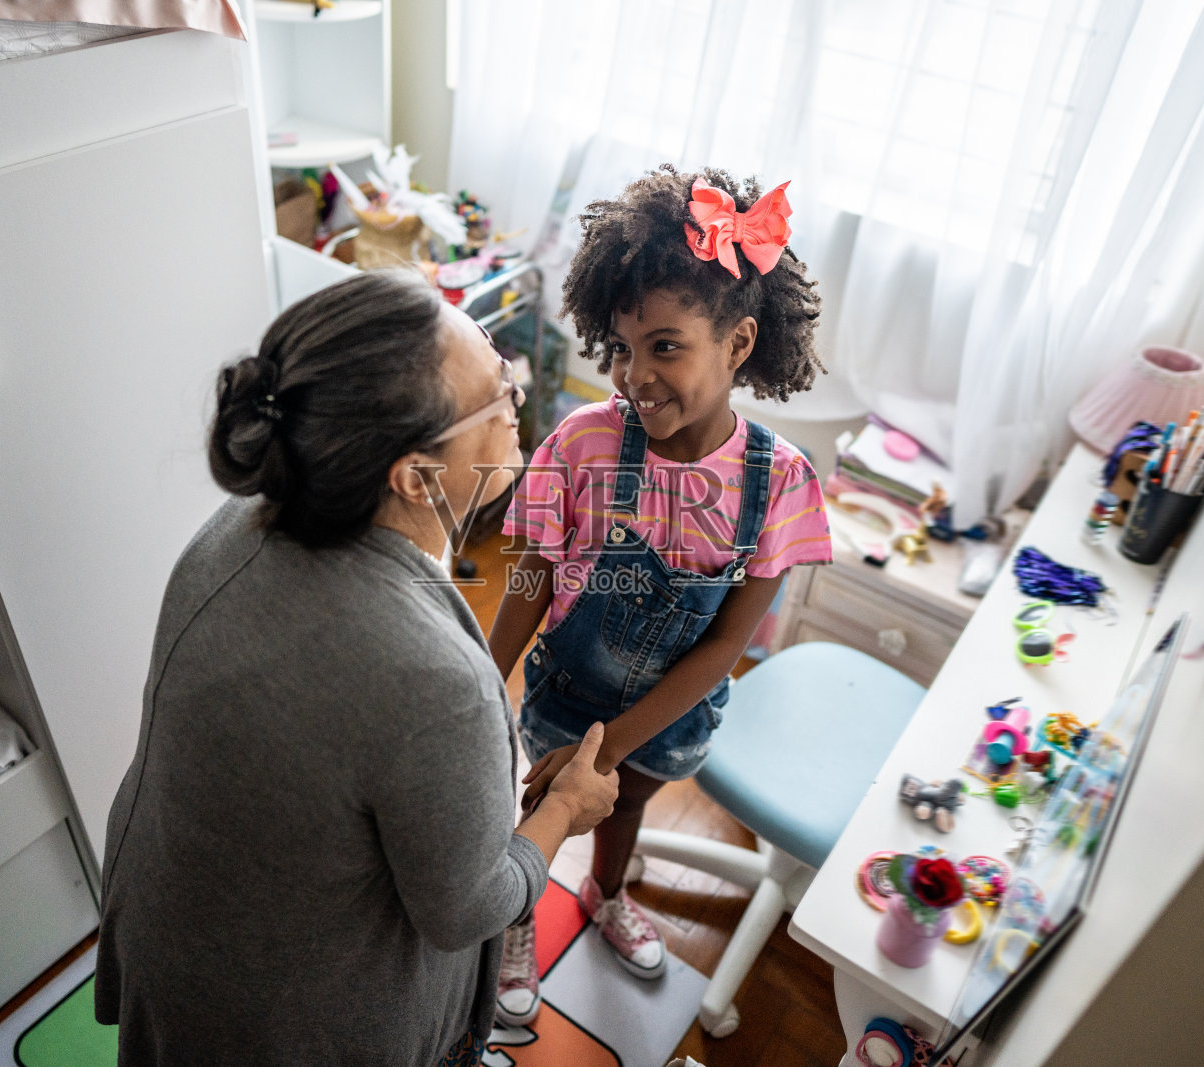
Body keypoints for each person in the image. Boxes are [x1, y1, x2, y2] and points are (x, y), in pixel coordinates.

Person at [94, 270, 618, 1067]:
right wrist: (565, 810)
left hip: (170, 931)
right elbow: (467, 906)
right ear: (414, 476)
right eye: (498, 394)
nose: (518, 400)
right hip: (288, 1020)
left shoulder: (234, 526)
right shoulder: (433, 679)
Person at [487, 166, 833, 1024]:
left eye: (665, 346)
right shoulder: (581, 444)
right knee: (542, 811)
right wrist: (479, 680)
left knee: (625, 807)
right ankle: (518, 916)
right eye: (622, 347)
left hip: (671, 716)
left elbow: (724, 647)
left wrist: (606, 755)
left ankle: (607, 895)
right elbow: (530, 574)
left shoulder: (780, 485)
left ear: (740, 344)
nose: (634, 376)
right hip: (567, 695)